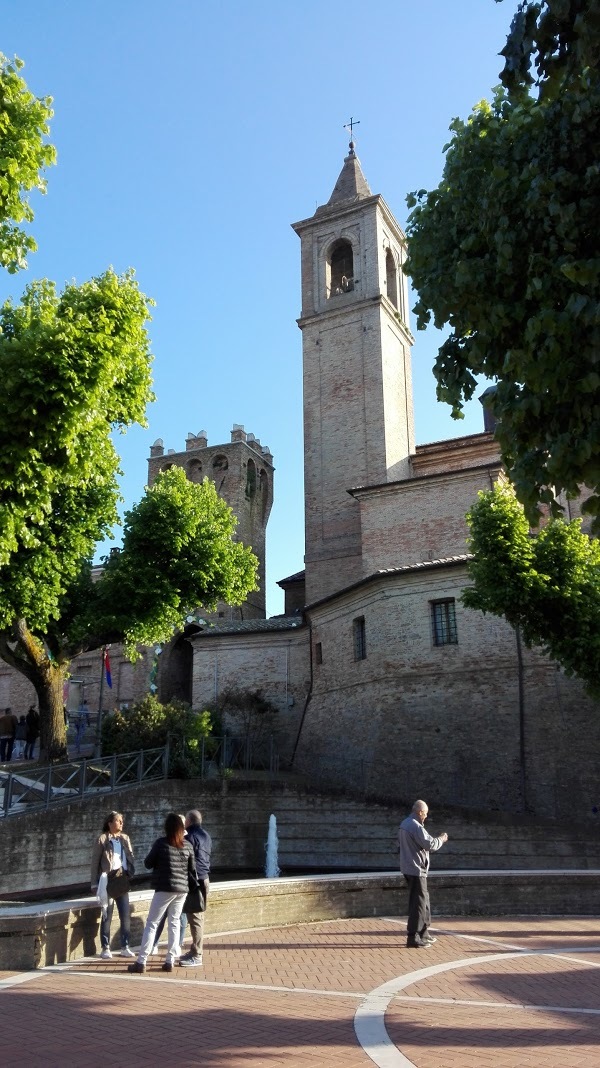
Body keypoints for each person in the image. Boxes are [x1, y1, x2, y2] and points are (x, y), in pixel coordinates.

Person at [128, 812, 198, 975]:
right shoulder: (187, 845)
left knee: (152, 923)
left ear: (167, 828)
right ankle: (170, 960)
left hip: (164, 887)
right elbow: (192, 870)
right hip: (182, 890)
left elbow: (147, 863)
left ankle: (141, 961)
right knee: (174, 922)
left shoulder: (161, 843)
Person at [398, 799, 448, 949]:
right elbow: (430, 844)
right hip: (416, 869)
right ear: (420, 812)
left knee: (423, 901)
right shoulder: (415, 826)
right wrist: (442, 839)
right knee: (418, 904)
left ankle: (423, 933)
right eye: (425, 814)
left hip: (409, 867)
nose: (426, 816)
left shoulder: (404, 824)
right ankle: (413, 937)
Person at [91, 811, 136, 959]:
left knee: (125, 915)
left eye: (122, 821)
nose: (121, 823)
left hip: (122, 879)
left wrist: (130, 871)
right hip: (108, 880)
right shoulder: (102, 839)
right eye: (118, 821)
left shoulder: (125, 838)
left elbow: (131, 856)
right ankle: (105, 947)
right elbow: (95, 863)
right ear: (110, 823)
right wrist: (94, 884)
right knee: (106, 915)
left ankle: (125, 946)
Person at [179, 809, 212, 968]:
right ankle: (194, 950)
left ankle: (197, 954)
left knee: (195, 919)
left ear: (188, 821)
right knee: (198, 917)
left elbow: (185, 860)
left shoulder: (189, 837)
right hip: (204, 879)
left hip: (195, 881)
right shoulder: (206, 836)